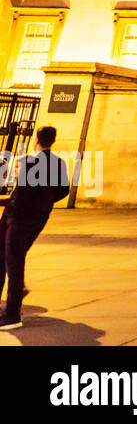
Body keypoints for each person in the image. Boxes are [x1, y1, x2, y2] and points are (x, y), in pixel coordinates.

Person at [0, 126, 70, 330]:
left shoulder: (31, 162)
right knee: (6, 256)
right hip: (38, 218)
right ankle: (15, 296)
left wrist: (8, 202)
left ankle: (12, 313)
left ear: (36, 139)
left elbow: (22, 193)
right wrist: (45, 202)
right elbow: (63, 190)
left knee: (13, 261)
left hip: (19, 217)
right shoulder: (59, 162)